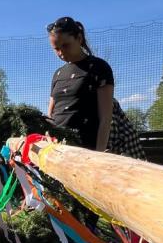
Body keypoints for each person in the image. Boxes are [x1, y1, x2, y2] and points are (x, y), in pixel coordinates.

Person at [46, 17, 114, 150]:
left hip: (85, 148)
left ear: (79, 38)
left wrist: (98, 154)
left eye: (65, 45)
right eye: (56, 48)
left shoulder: (99, 67)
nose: (61, 53)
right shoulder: (58, 74)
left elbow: (105, 119)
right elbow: (51, 114)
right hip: (57, 148)